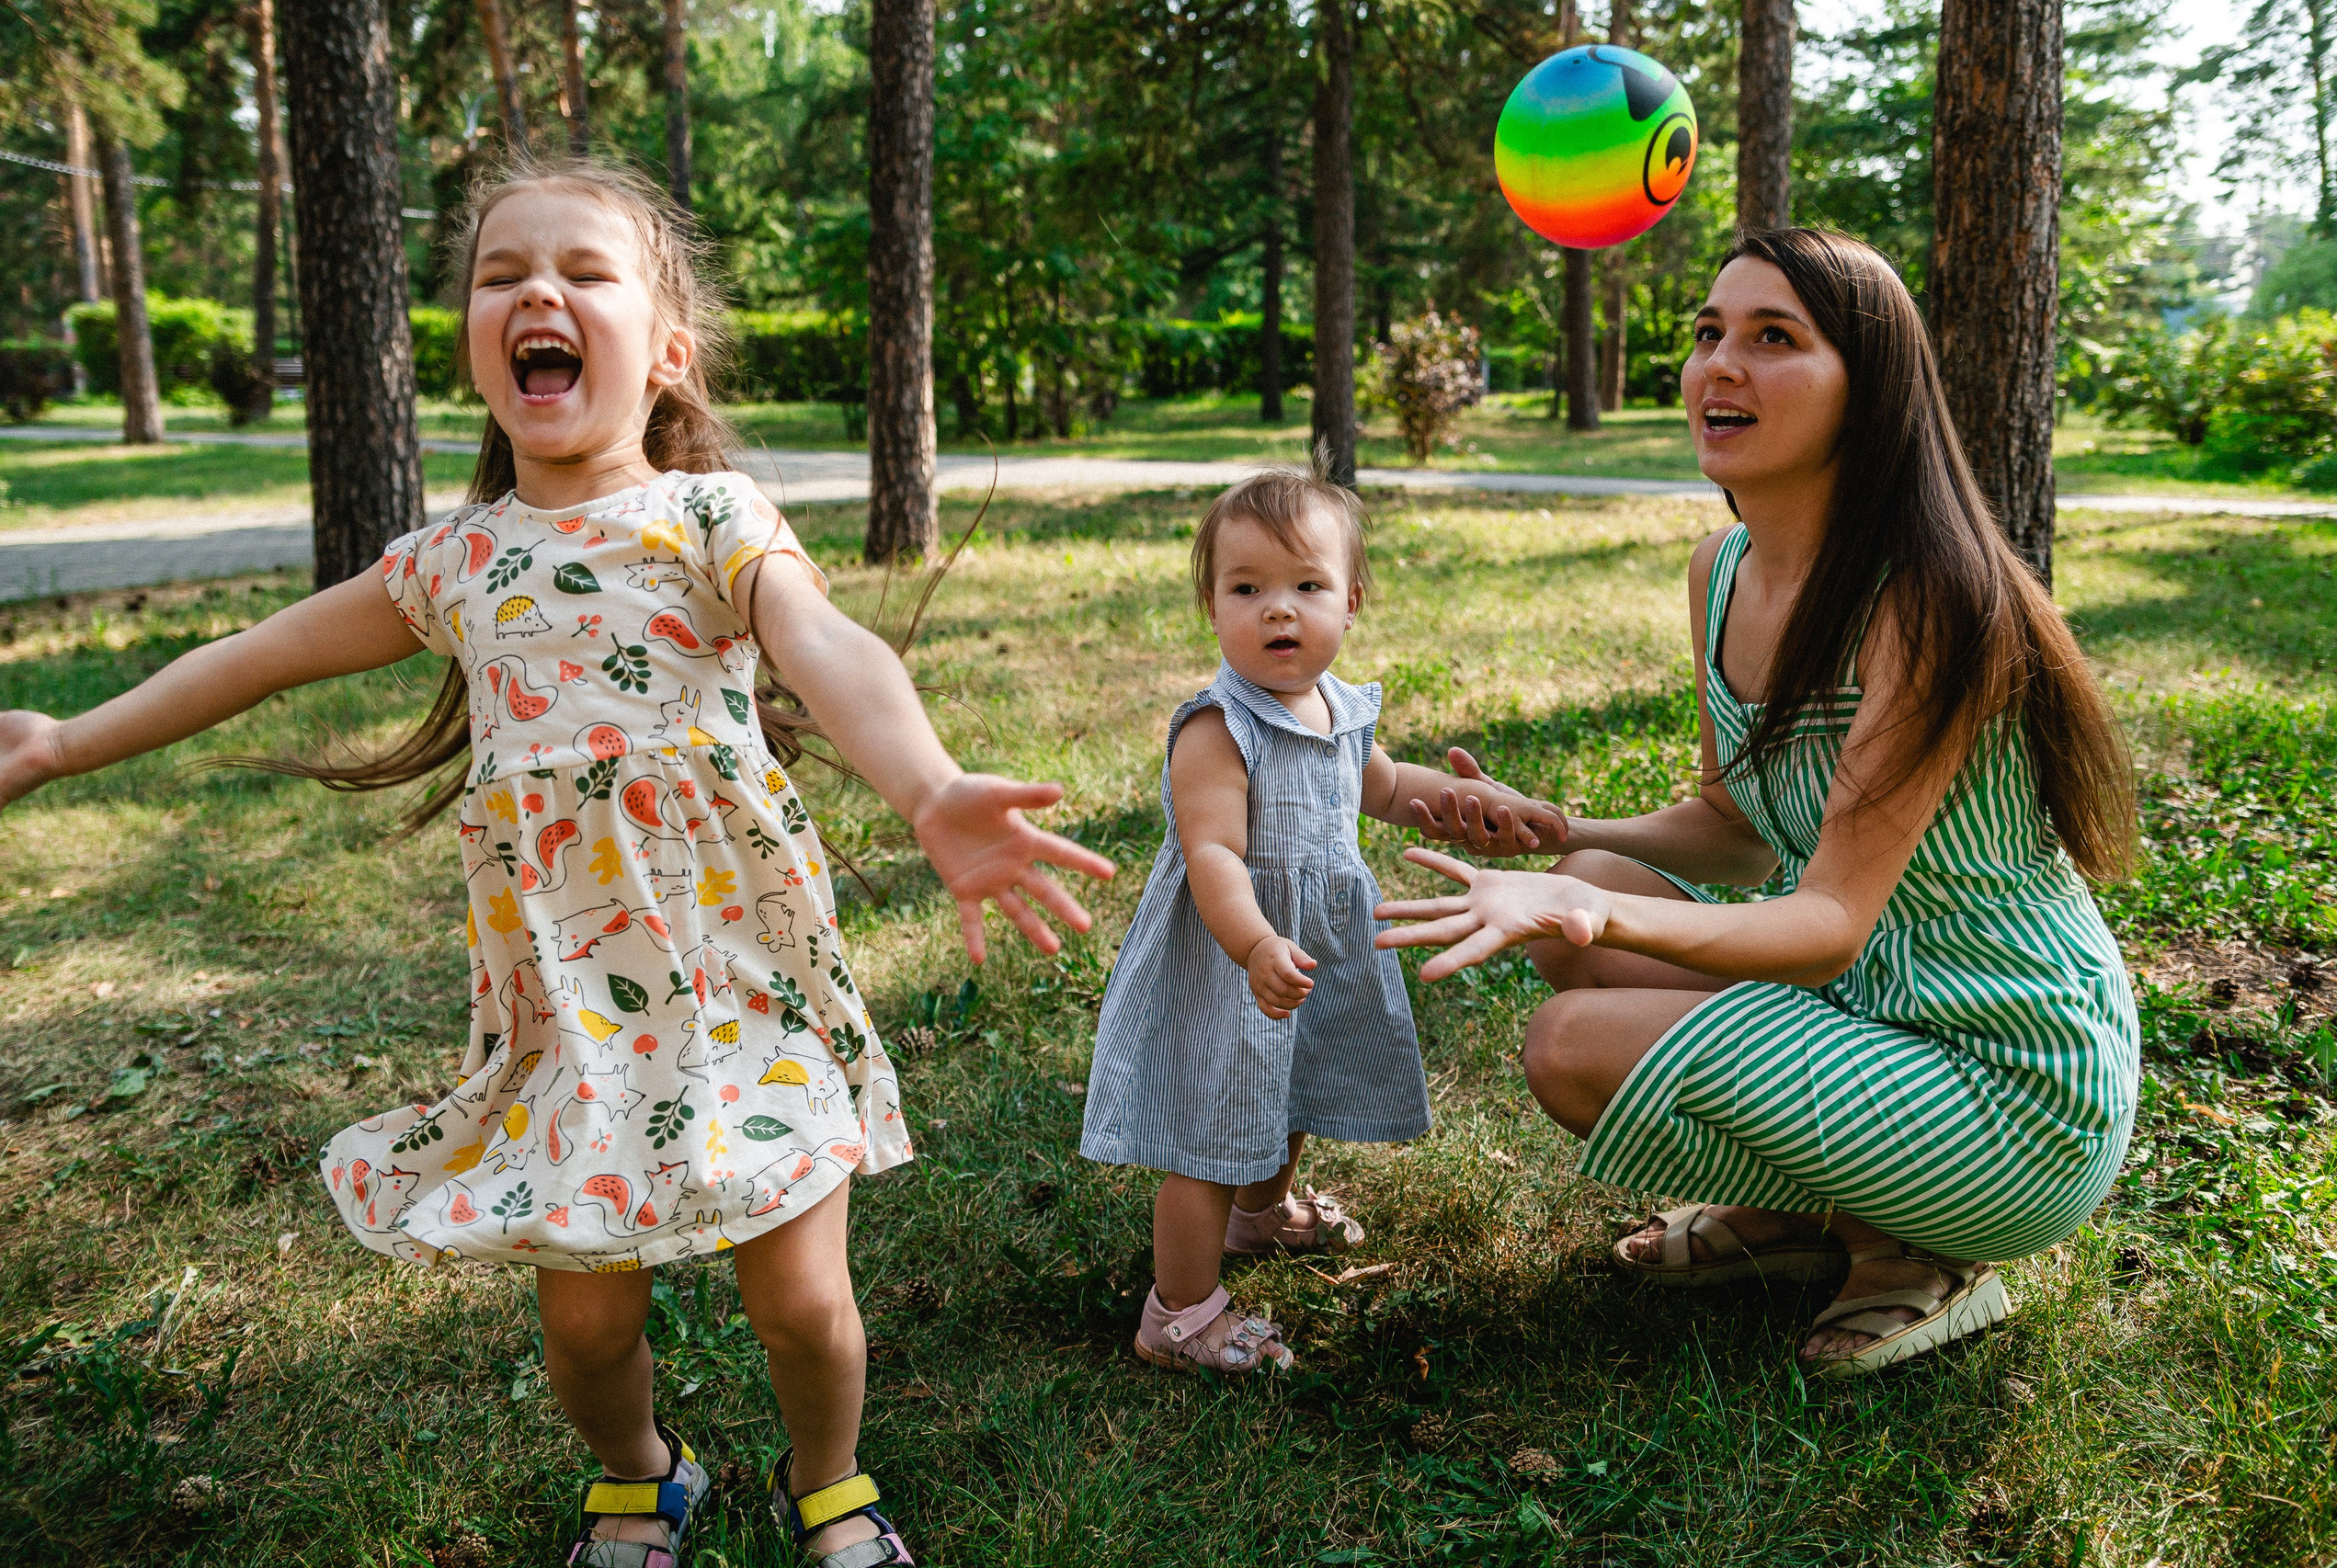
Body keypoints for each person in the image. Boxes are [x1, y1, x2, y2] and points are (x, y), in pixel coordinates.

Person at [0, 158, 1113, 1568]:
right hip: (568, 1011)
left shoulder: (712, 521)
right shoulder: (449, 564)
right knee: (586, 1326)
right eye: (499, 273)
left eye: (587, 272)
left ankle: (828, 1480)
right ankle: (644, 1474)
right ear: (477, 346)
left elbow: (828, 646)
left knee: (803, 1305)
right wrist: (59, 738)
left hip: (742, 979)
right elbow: (253, 657)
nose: (538, 290)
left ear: (665, 354)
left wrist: (932, 782)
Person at [1376, 228, 2140, 1379]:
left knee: (1572, 1035)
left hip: (2008, 1078)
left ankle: (1917, 1248)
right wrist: (1563, 838)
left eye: (1772, 338)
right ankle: (1812, 1220)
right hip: (1870, 1012)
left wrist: (1589, 916)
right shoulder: (1720, 570)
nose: (1717, 365)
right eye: (1706, 334)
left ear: (1868, 389)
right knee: (1585, 889)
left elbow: (1826, 919)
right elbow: (1734, 827)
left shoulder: (1928, 602)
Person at [1080, 462, 1570, 1373]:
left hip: (1311, 948)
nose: (1278, 609)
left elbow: (1384, 787)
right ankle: (1177, 1315)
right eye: (1247, 588)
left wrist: (1470, 799)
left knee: (1289, 1090)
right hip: (1233, 955)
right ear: (1212, 603)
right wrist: (1256, 940)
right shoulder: (1218, 729)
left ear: (1349, 601)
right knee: (1208, 1134)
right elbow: (1214, 855)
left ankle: (1259, 1218)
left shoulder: (1340, 707)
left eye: (1305, 585)